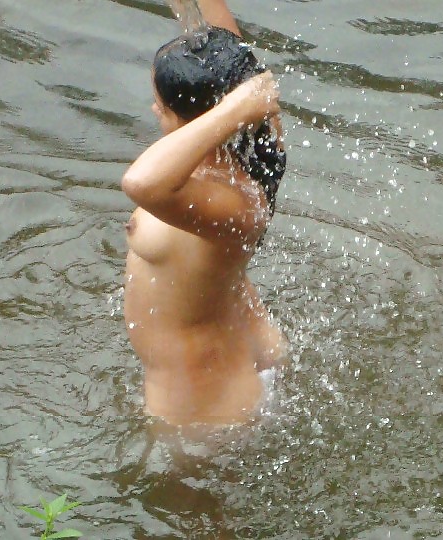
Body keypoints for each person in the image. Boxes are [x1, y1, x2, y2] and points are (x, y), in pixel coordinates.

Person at [122, 0, 288, 427]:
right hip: (219, 355)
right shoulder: (251, 133)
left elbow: (139, 183)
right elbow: (224, 48)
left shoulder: (235, 200)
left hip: (205, 404)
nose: (153, 110)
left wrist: (233, 110)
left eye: (161, 105)